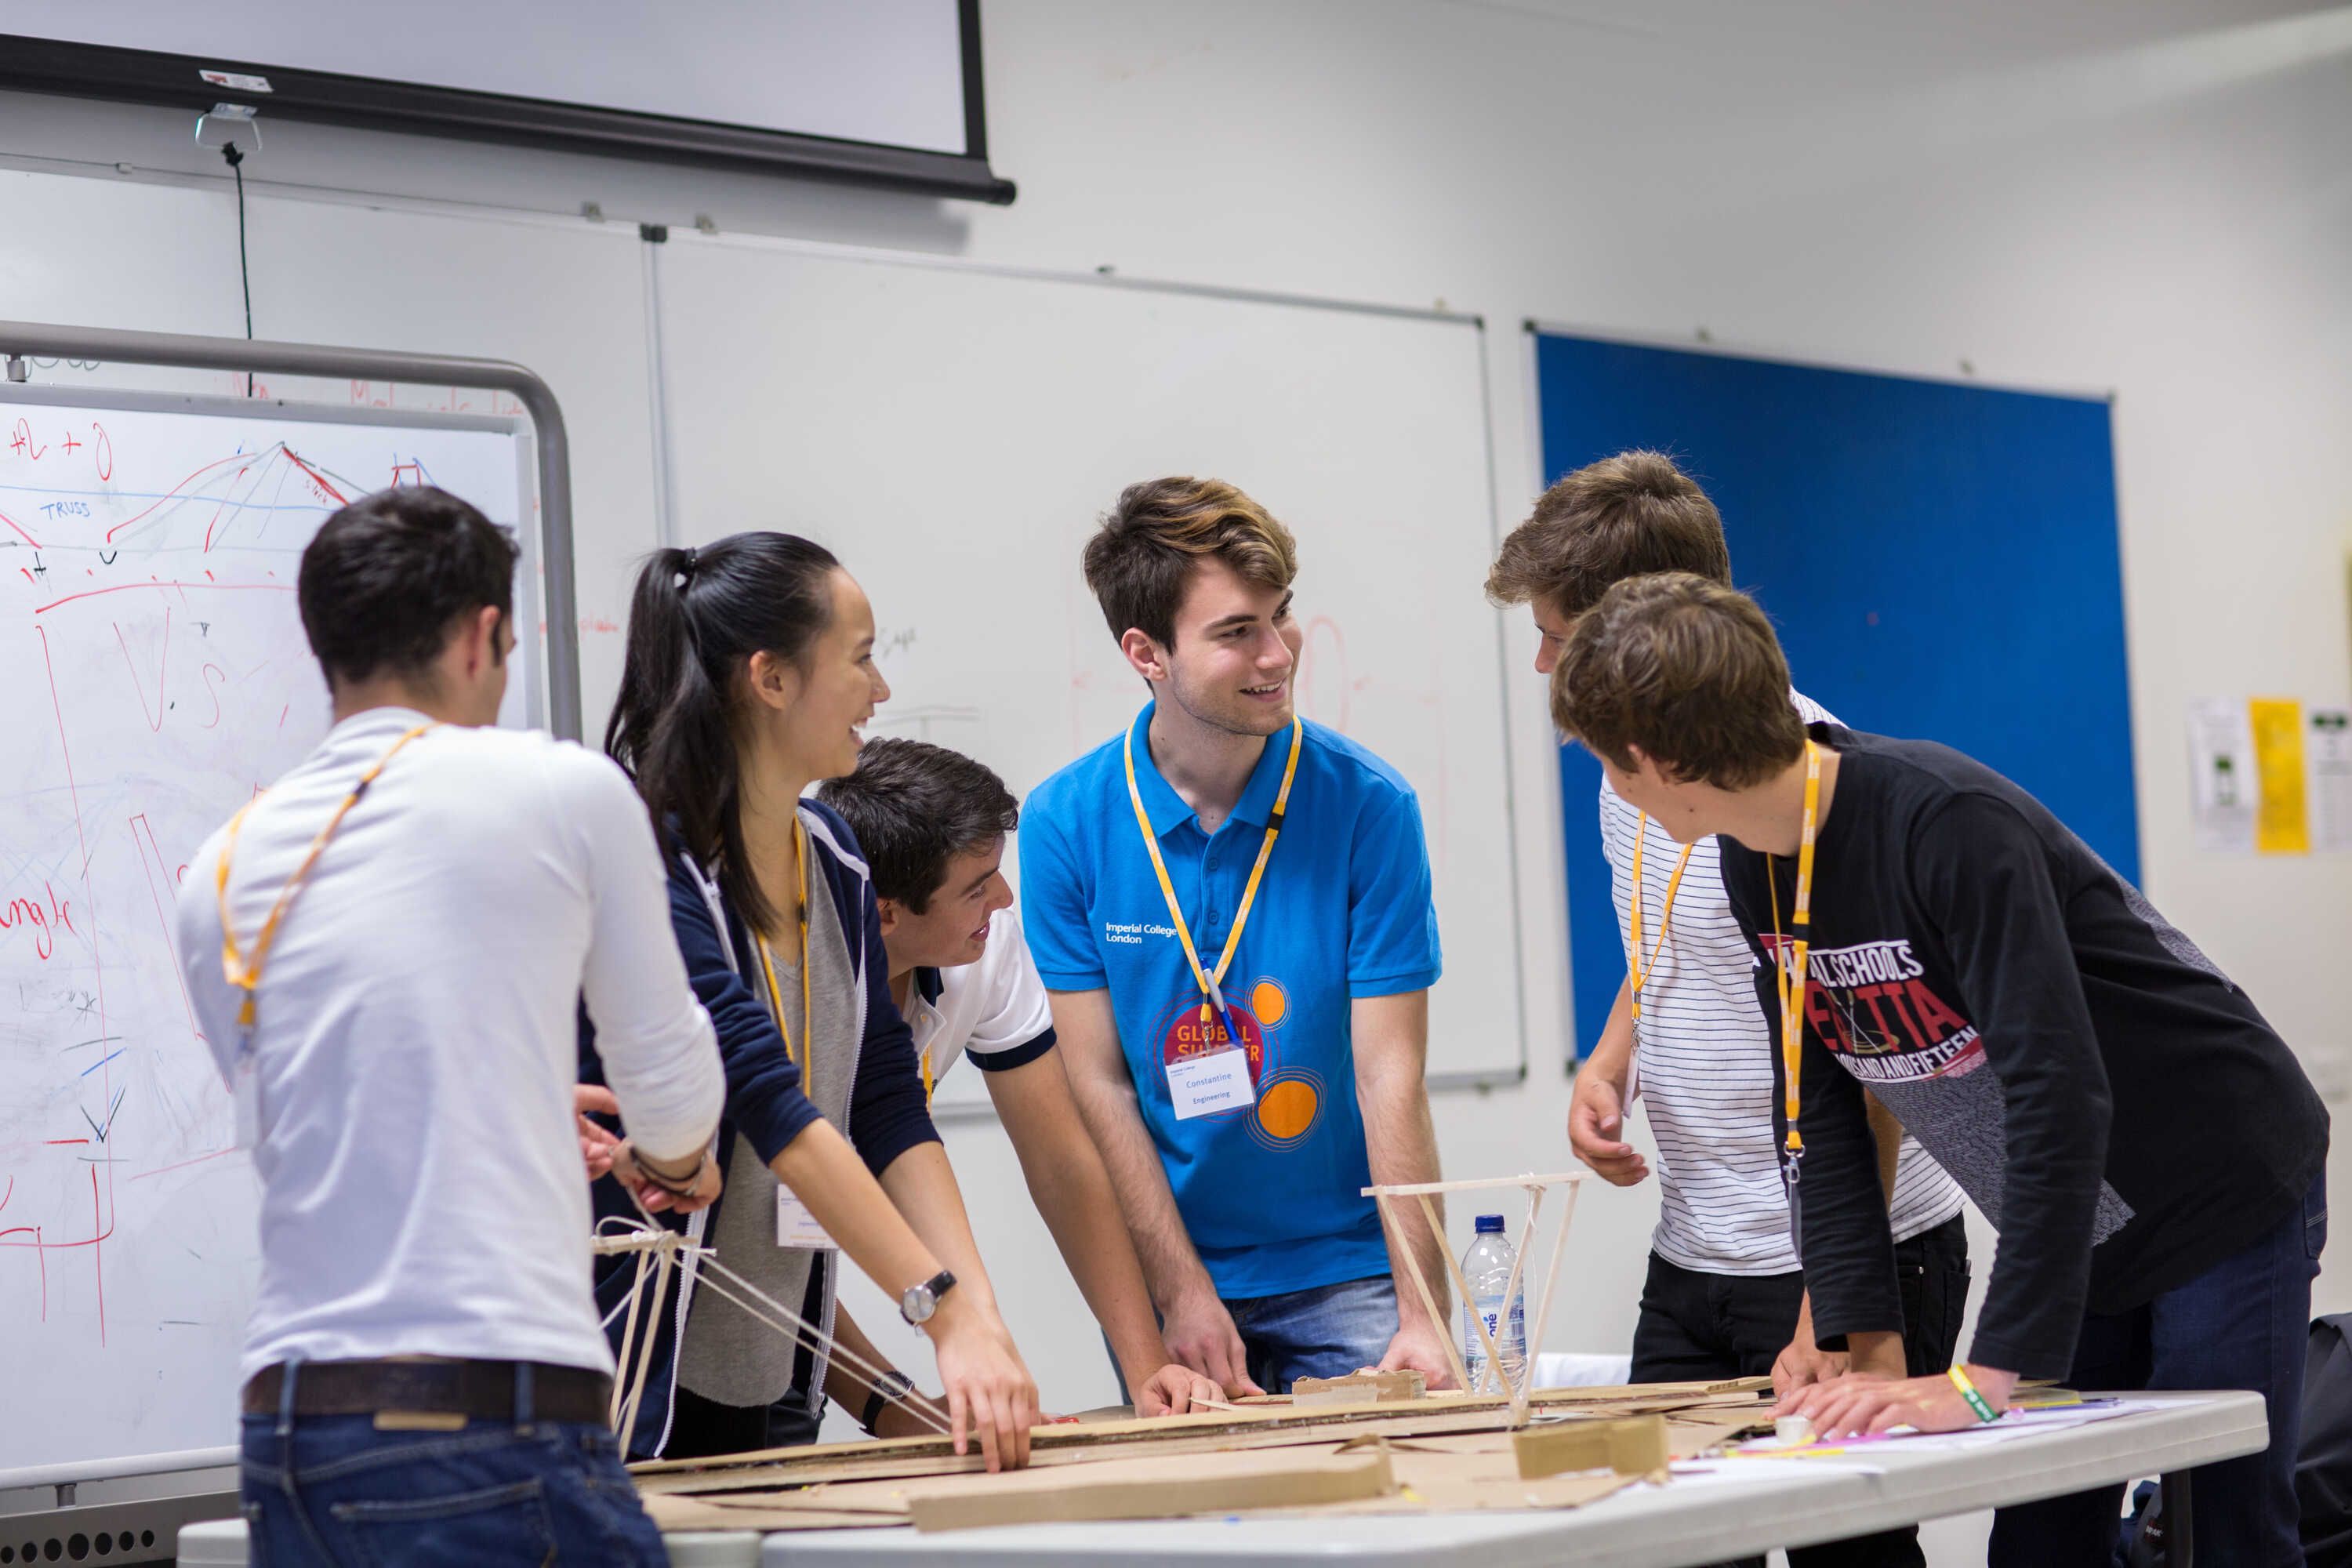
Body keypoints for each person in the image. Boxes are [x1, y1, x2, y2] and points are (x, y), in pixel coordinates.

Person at [1553, 571, 2330, 1566]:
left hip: (2216, 1172)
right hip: (2086, 1211)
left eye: (1610, 767)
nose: (1612, 790)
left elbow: (2059, 1093)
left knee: (2222, 1519)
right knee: (2042, 1532)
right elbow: (1818, 1110)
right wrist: (1861, 1341)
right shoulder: (1756, 859)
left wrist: (1983, 1374)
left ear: (1659, 761)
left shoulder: (1946, 825)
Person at [175, 486, 728, 1563]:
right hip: (481, 1409)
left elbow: (307, 1112)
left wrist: (508, 1099)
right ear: (485, 635)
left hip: (290, 1426)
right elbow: (671, 1085)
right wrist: (679, 1162)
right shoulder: (562, 792)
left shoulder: (221, 866)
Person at [1486, 452, 1967, 1566]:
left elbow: (1872, 1052)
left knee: (1845, 1551)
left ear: (1637, 627)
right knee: (1668, 1545)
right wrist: (1614, 1058)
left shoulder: (1787, 780)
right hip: (1699, 1248)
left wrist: (1831, 1313)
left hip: (1846, 1253)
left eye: (1559, 633)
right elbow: (1677, 937)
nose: (1545, 661)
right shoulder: (1632, 772)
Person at [585, 532, 1040, 1468]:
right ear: (772, 678)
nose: (879, 691)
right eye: (863, 657)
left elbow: (881, 1094)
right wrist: (941, 1311)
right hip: (629, 1368)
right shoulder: (649, 866)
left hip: (761, 1358)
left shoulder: (829, 851)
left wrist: (980, 1312)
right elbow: (771, 1101)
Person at [1021, 477, 1452, 1396]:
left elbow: (1390, 1075)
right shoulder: (1066, 822)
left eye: (1282, 616)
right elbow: (1095, 1081)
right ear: (1145, 651)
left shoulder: (1369, 806)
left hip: (1349, 1268)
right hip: (1175, 1277)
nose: (1279, 653)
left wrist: (1424, 1309)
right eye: (1236, 631)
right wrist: (1176, 1289)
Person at [819, 737, 1223, 1414]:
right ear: (884, 912)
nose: (1005, 900)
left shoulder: (983, 946)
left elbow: (1062, 1160)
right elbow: (767, 1248)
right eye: (977, 887)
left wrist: (1146, 1364)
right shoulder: (796, 990)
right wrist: (895, 1411)